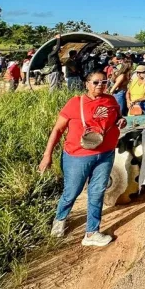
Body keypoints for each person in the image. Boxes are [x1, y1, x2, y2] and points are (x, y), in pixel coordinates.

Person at [39, 70, 126, 246]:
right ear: (87, 84)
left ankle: (92, 232)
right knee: (72, 191)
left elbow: (117, 118)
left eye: (104, 82)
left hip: (105, 154)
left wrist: (121, 121)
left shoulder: (111, 101)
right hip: (78, 156)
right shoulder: (75, 103)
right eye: (95, 82)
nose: (100, 85)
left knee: (97, 191)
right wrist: (47, 155)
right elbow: (57, 130)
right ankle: (60, 219)